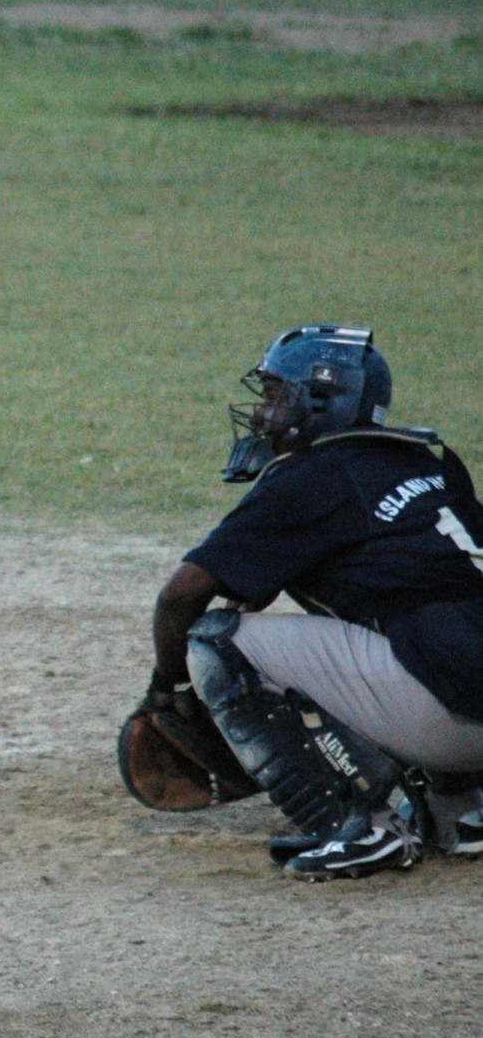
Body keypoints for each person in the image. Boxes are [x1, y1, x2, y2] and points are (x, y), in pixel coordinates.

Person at [137, 324, 483, 880]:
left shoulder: (316, 474)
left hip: (450, 716)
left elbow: (184, 595)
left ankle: (363, 825)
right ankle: (462, 809)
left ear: (324, 401)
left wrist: (169, 686)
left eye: (277, 396)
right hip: (466, 697)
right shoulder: (427, 460)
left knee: (219, 643)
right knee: (410, 616)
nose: (260, 414)